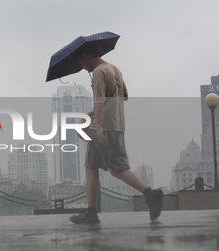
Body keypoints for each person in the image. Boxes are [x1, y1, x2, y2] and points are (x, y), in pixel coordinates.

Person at [69, 52, 163, 224]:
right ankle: (151, 194)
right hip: (118, 126)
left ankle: (91, 213)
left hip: (103, 126)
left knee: (91, 168)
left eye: (81, 62)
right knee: (117, 169)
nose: (83, 67)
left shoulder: (98, 71)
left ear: (88, 56)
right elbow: (125, 96)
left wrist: (96, 125)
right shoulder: (116, 70)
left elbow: (98, 100)